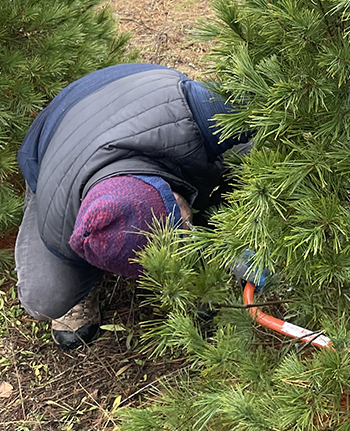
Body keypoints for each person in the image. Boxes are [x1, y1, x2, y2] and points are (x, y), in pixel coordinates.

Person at [15, 63, 248, 348]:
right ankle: (86, 284)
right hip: (56, 142)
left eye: (179, 225)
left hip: (136, 92)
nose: (185, 233)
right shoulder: (57, 219)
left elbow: (258, 107)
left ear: (166, 190)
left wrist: (247, 221)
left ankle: (221, 238)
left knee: (247, 155)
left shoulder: (183, 116)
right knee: (46, 297)